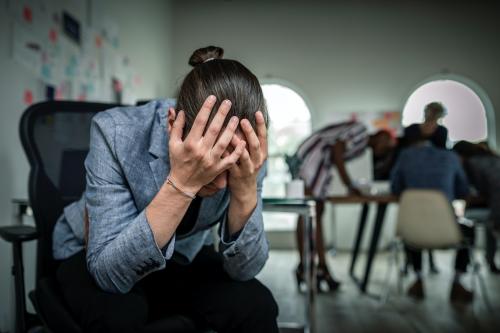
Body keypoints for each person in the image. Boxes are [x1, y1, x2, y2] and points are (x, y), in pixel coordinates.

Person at [52, 46, 279, 333]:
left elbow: (244, 270)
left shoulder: (250, 150)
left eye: (230, 168)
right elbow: (110, 276)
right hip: (94, 250)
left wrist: (246, 188)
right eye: (209, 163)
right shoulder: (115, 132)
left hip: (180, 254)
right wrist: (183, 184)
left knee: (256, 305)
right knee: (119, 316)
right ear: (173, 126)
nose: (223, 184)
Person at [286, 122, 395, 292]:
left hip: (320, 159)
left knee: (315, 211)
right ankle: (308, 266)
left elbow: (336, 153)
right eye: (386, 146)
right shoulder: (361, 130)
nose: (384, 151)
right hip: (313, 155)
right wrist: (349, 185)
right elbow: (337, 149)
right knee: (309, 210)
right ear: (381, 136)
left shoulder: (362, 147)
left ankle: (317, 267)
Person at [390, 139, 474, 303]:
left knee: (413, 226)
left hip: (413, 232)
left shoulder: (405, 156)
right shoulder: (451, 157)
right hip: (446, 230)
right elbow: (463, 190)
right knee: (468, 228)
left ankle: (418, 279)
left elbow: (395, 188)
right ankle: (457, 282)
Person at [453, 140, 500, 274]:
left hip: (496, 206)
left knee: (466, 222)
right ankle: (490, 262)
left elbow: (496, 190)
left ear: (460, 155)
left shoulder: (473, 164)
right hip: (493, 204)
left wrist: (496, 219)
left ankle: (462, 265)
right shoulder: (489, 158)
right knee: (487, 225)